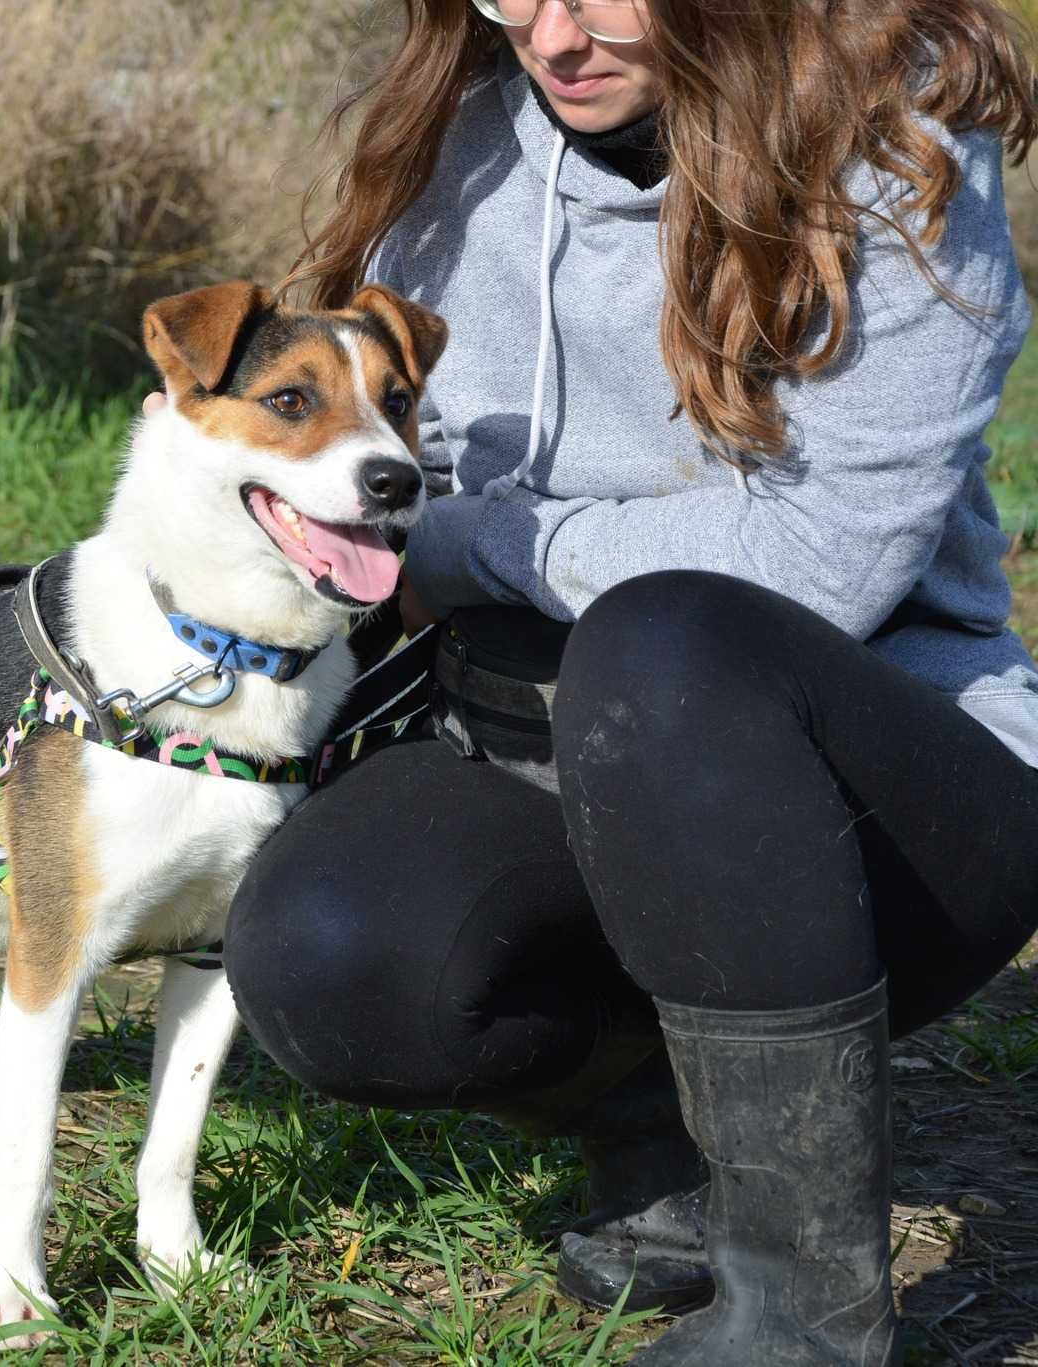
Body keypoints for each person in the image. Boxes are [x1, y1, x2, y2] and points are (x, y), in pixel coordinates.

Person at [201, 2, 1038, 1362]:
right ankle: (675, 1143)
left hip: (899, 800)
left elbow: (812, 563)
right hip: (551, 740)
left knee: (668, 639)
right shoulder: (467, 140)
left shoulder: (897, 149)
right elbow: (394, 473)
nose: (550, 32)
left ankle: (806, 1317)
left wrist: (486, 543)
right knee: (330, 958)